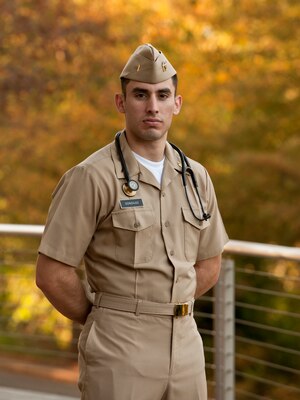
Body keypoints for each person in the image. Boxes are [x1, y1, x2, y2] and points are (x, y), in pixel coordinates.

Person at [36, 43, 229, 400]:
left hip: (186, 346)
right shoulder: (91, 177)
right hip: (119, 347)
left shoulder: (195, 177)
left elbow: (209, 263)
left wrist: (167, 306)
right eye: (140, 94)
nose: (153, 106)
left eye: (162, 95)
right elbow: (52, 273)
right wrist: (105, 317)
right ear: (121, 103)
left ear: (177, 104)